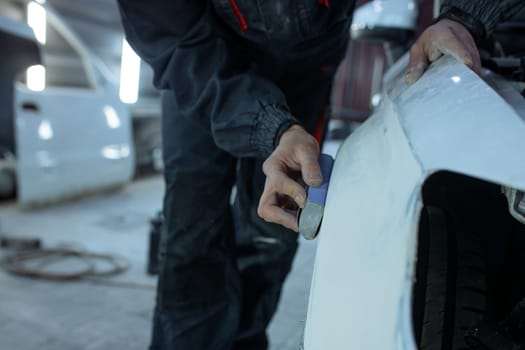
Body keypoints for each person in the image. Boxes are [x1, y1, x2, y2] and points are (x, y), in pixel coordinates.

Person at [117, 0, 525, 349]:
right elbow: (169, 34)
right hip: (201, 67)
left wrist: (462, 16)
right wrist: (270, 127)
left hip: (304, 71)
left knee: (271, 235)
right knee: (192, 234)